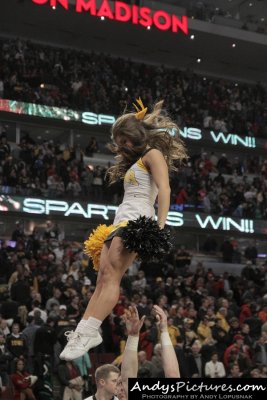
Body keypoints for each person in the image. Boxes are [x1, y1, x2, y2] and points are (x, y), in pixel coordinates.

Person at [60, 98, 187, 360]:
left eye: (125, 140)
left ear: (135, 134)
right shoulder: (135, 162)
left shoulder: (153, 154)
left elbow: (165, 189)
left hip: (137, 220)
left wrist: (160, 226)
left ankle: (90, 329)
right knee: (102, 278)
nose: (122, 146)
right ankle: (84, 332)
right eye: (119, 143)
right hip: (120, 219)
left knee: (112, 277)